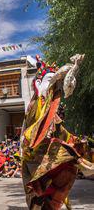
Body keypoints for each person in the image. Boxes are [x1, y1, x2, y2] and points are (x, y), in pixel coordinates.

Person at [21, 55, 94, 209]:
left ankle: (82, 164)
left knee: (68, 157)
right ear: (39, 82)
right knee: (36, 196)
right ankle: (83, 165)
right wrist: (69, 69)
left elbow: (60, 131)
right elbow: (30, 132)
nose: (53, 85)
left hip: (46, 156)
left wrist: (74, 68)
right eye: (49, 80)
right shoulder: (36, 106)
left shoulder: (51, 112)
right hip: (34, 154)